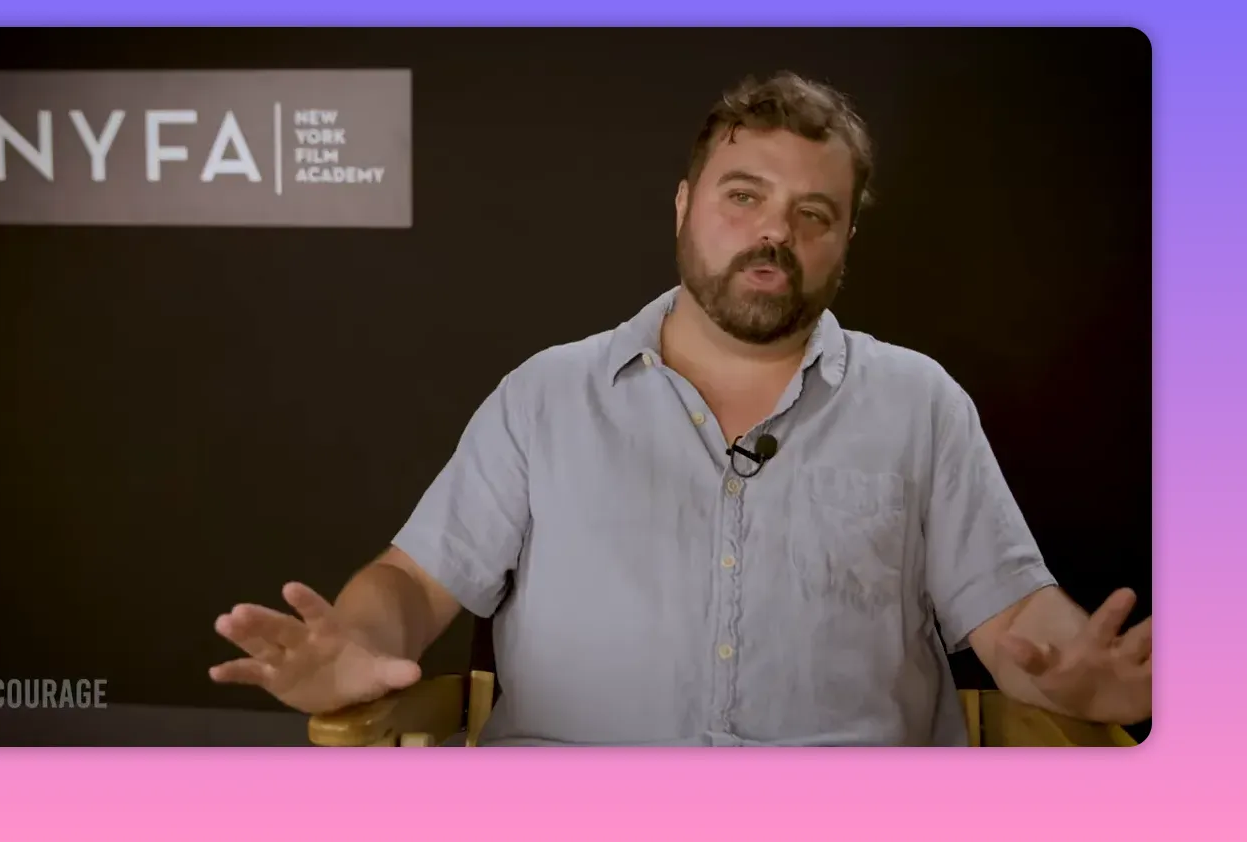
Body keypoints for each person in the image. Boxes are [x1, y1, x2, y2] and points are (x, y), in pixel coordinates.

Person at [209, 72, 1152, 745]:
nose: (776, 230)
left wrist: (1081, 668)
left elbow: (1019, 616)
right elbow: (415, 583)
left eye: (813, 214)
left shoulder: (921, 403)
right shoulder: (546, 396)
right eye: (745, 197)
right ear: (684, 204)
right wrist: (359, 642)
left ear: (844, 242)